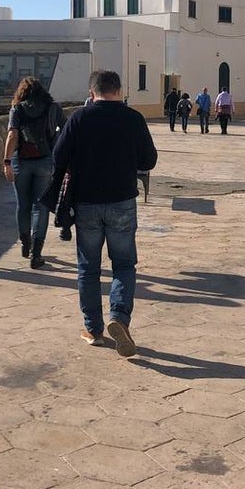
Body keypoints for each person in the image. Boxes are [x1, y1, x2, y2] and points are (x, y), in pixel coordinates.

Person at [52, 70, 157, 357]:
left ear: (92, 92)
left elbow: (58, 157)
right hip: (122, 200)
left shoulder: (78, 118)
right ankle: (119, 318)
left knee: (88, 267)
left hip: (86, 202)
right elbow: (149, 159)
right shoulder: (132, 118)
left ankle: (94, 329)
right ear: (118, 90)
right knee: (124, 264)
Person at [3, 77, 65, 268]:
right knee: (41, 207)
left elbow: (12, 135)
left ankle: (25, 243)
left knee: (23, 205)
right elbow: (65, 131)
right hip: (45, 160)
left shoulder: (18, 109)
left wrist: (6, 161)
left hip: (21, 160)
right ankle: (36, 254)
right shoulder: (53, 108)